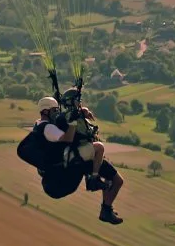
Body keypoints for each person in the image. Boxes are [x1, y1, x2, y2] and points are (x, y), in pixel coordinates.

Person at [35, 96, 124, 224]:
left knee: (112, 176)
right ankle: (93, 179)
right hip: (70, 157)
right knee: (99, 147)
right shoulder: (48, 128)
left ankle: (106, 209)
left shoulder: (40, 124)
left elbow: (62, 120)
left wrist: (80, 113)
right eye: (54, 110)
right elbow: (67, 138)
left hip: (68, 157)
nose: (56, 112)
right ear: (46, 111)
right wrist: (73, 122)